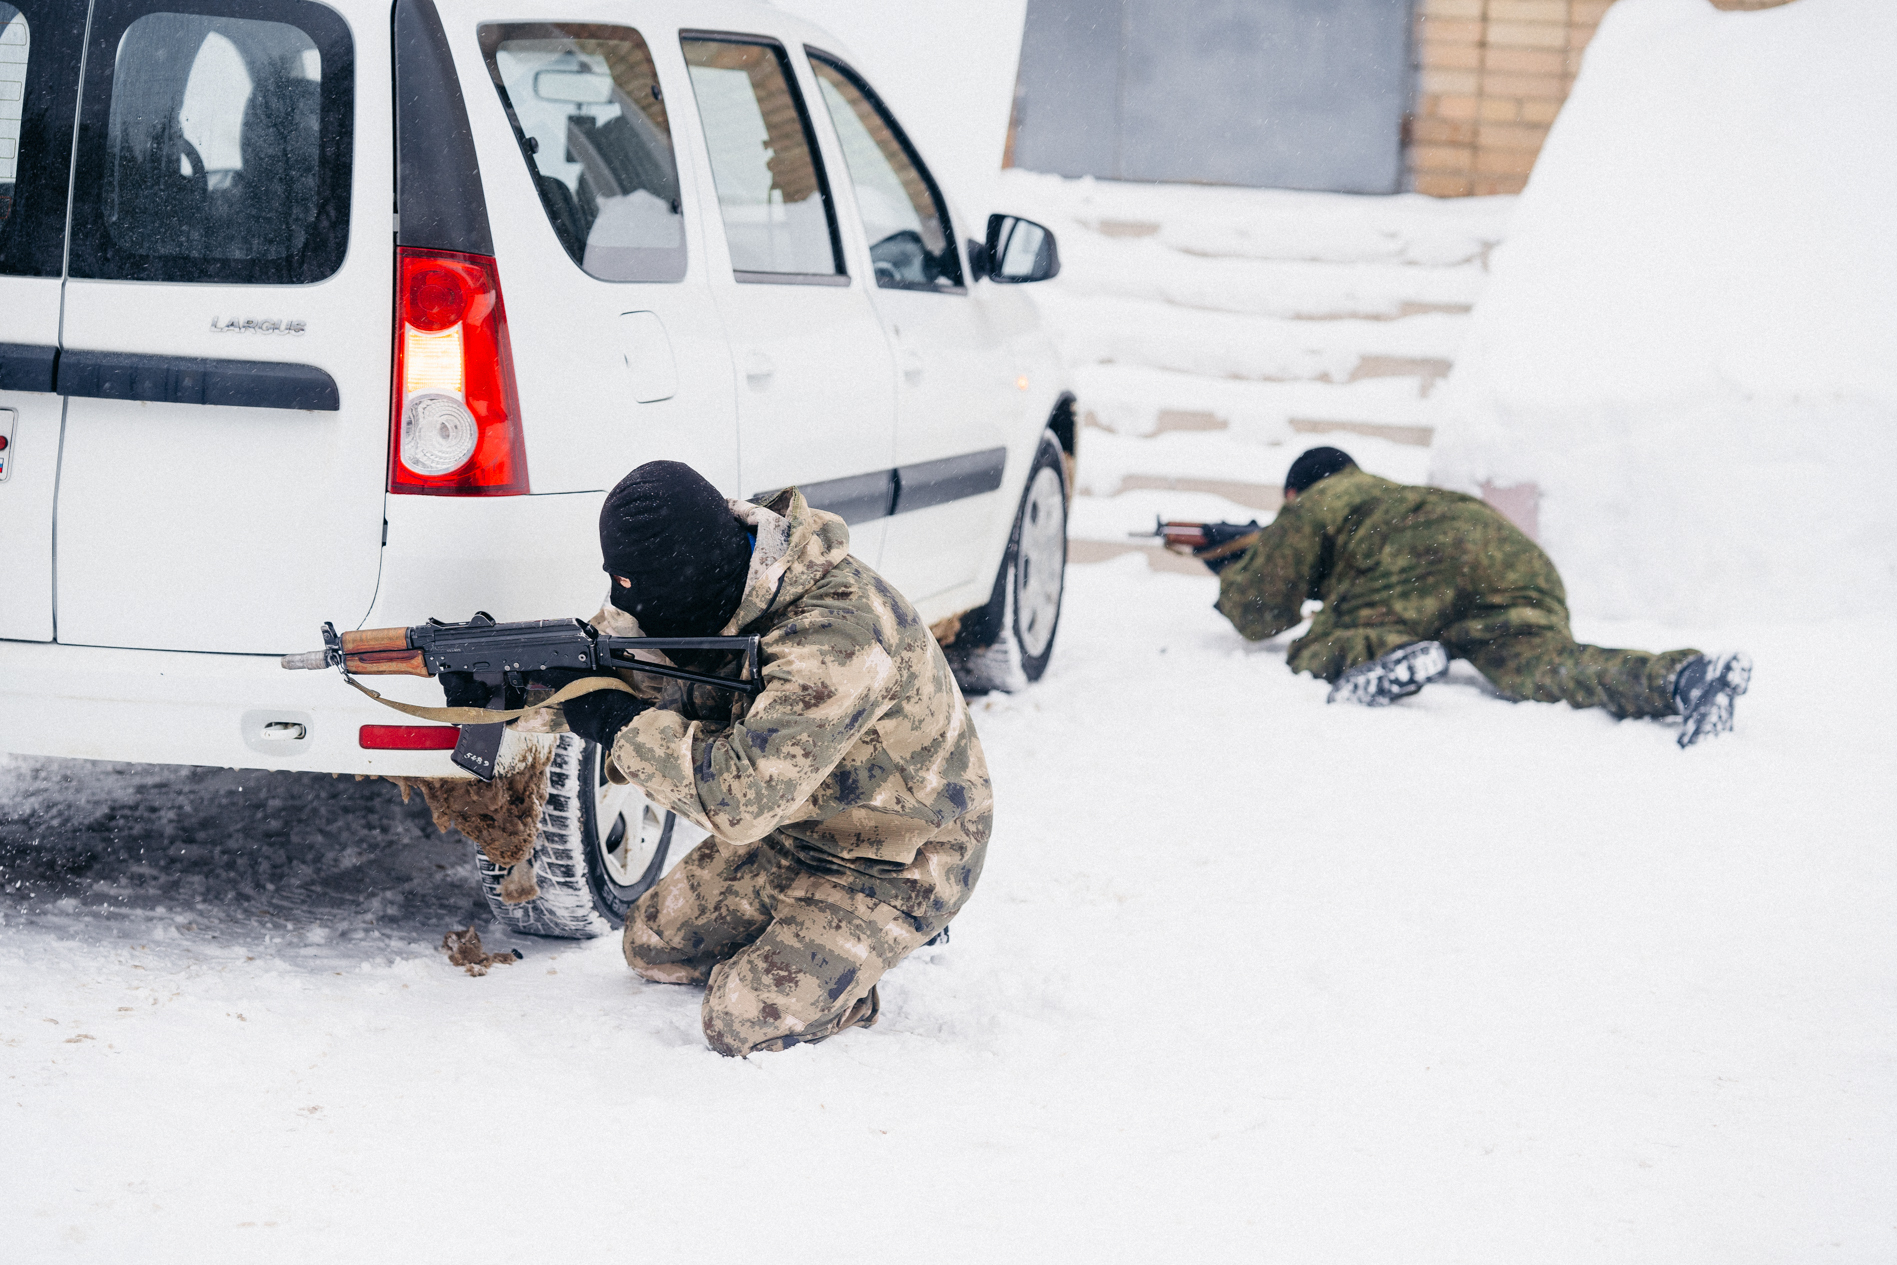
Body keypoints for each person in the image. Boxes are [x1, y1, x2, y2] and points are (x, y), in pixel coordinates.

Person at [547, 461, 991, 1056]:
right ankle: (809, 921)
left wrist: (622, 726)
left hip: (901, 852)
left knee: (741, 1020)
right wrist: (525, 688)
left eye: (658, 609)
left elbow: (738, 803)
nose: (645, 621)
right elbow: (626, 645)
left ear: (695, 590)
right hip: (801, 825)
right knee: (652, 945)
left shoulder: (838, 639)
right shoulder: (715, 576)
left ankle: (871, 957)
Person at [1197, 447, 1750, 747]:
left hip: (1419, 558)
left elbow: (1260, 612)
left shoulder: (1323, 496)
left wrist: (1228, 562)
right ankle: (1684, 680)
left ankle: (1385, 654)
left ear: (1295, 492)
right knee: (1551, 666)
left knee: (1323, 644)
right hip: (1513, 560)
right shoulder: (1394, 493)